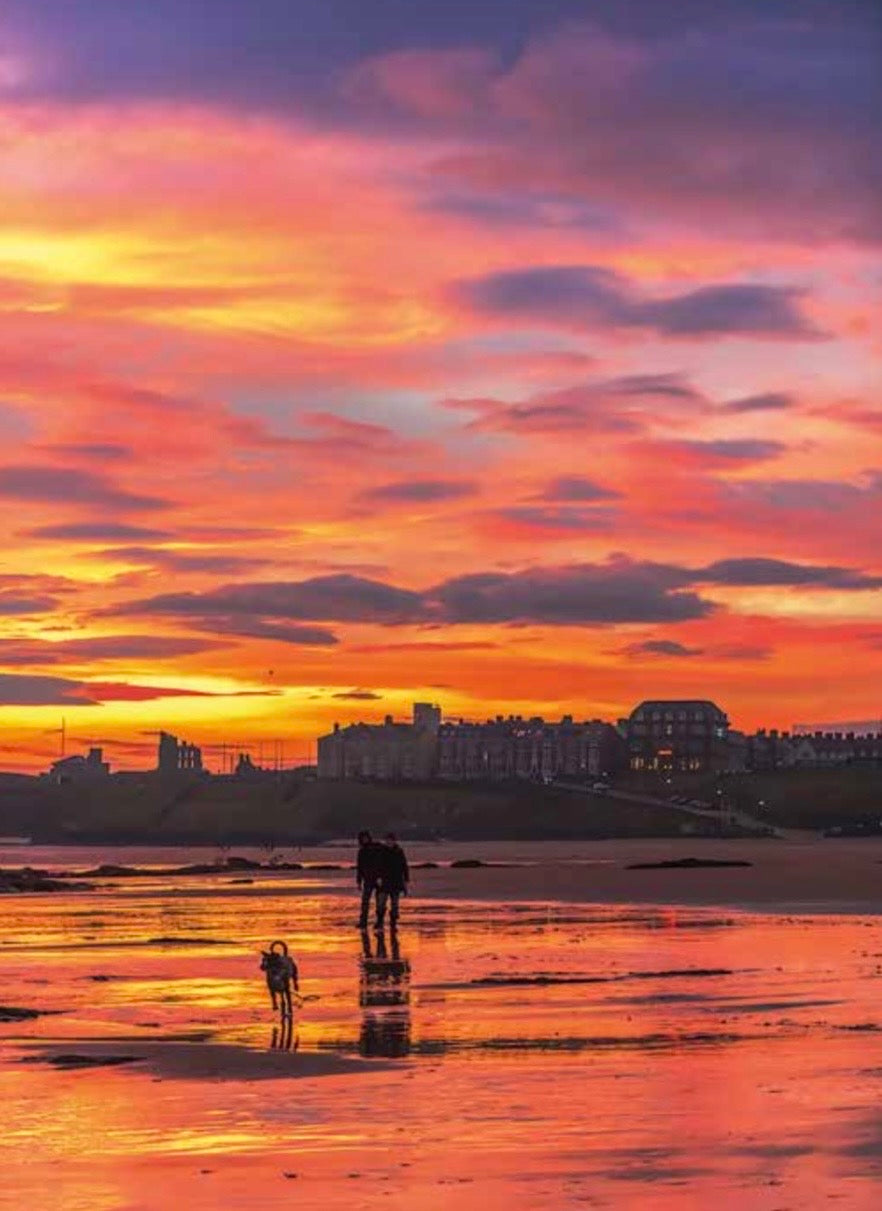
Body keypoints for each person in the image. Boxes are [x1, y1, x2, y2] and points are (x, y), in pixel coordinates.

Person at [376, 832, 409, 929]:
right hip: (385, 880)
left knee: (395, 904)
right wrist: (378, 877)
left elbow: (404, 865)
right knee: (381, 903)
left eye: (391, 840)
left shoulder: (399, 851)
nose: (389, 842)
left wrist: (406, 879)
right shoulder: (381, 851)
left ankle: (393, 923)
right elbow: (378, 866)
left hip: (396, 880)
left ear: (394, 841)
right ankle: (380, 922)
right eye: (387, 840)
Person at [356, 830, 385, 929]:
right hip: (368, 880)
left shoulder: (377, 848)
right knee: (365, 902)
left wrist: (381, 876)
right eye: (363, 838)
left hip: (378, 879)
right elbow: (360, 867)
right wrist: (359, 881)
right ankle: (363, 921)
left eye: (366, 838)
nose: (364, 840)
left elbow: (382, 863)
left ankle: (379, 922)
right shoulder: (361, 852)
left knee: (379, 902)